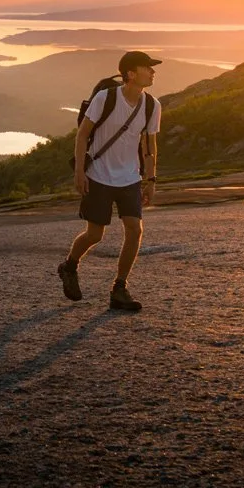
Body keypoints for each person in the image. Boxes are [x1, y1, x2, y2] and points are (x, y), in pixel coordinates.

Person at [57, 51, 161, 312]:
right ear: (130, 74)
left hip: (130, 177)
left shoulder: (152, 106)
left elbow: (150, 147)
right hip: (99, 175)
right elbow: (83, 135)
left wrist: (151, 180)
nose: (152, 72)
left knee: (135, 229)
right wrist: (79, 171)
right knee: (95, 234)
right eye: (147, 67)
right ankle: (69, 265)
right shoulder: (106, 98)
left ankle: (120, 288)